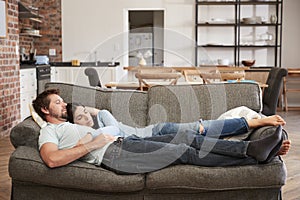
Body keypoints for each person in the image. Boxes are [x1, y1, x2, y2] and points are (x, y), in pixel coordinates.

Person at [33, 89, 285, 174]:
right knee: (182, 150)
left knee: (187, 137)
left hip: (122, 143)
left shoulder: (74, 126)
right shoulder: (48, 132)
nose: (63, 104)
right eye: (57, 102)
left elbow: (99, 118)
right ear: (45, 110)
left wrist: (93, 132)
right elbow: (52, 160)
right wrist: (92, 143)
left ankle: (252, 150)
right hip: (112, 153)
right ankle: (252, 154)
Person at [66, 102, 290, 156]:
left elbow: (113, 132)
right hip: (151, 141)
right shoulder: (83, 134)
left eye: (85, 111)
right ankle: (261, 148)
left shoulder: (104, 118)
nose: (85, 116)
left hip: (157, 131)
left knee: (204, 129)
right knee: (203, 142)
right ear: (73, 123)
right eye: (79, 116)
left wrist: (92, 112)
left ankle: (256, 122)